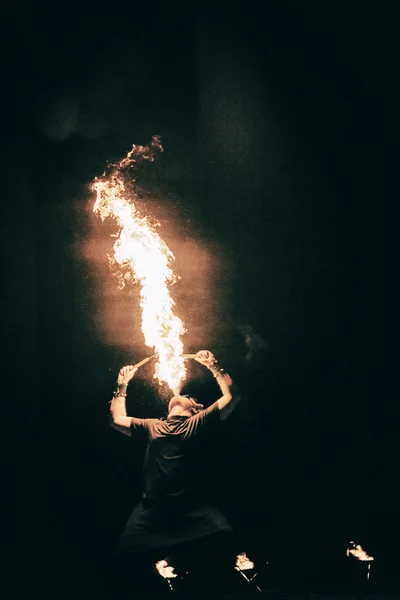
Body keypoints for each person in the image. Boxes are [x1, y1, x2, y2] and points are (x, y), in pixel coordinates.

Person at [108, 350, 242, 597]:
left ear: (195, 409)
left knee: (225, 542)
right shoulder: (153, 425)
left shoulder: (199, 422)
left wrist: (214, 367)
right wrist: (122, 385)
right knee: (123, 565)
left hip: (193, 508)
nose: (182, 396)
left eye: (189, 397)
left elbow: (232, 396)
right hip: (153, 510)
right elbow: (117, 419)